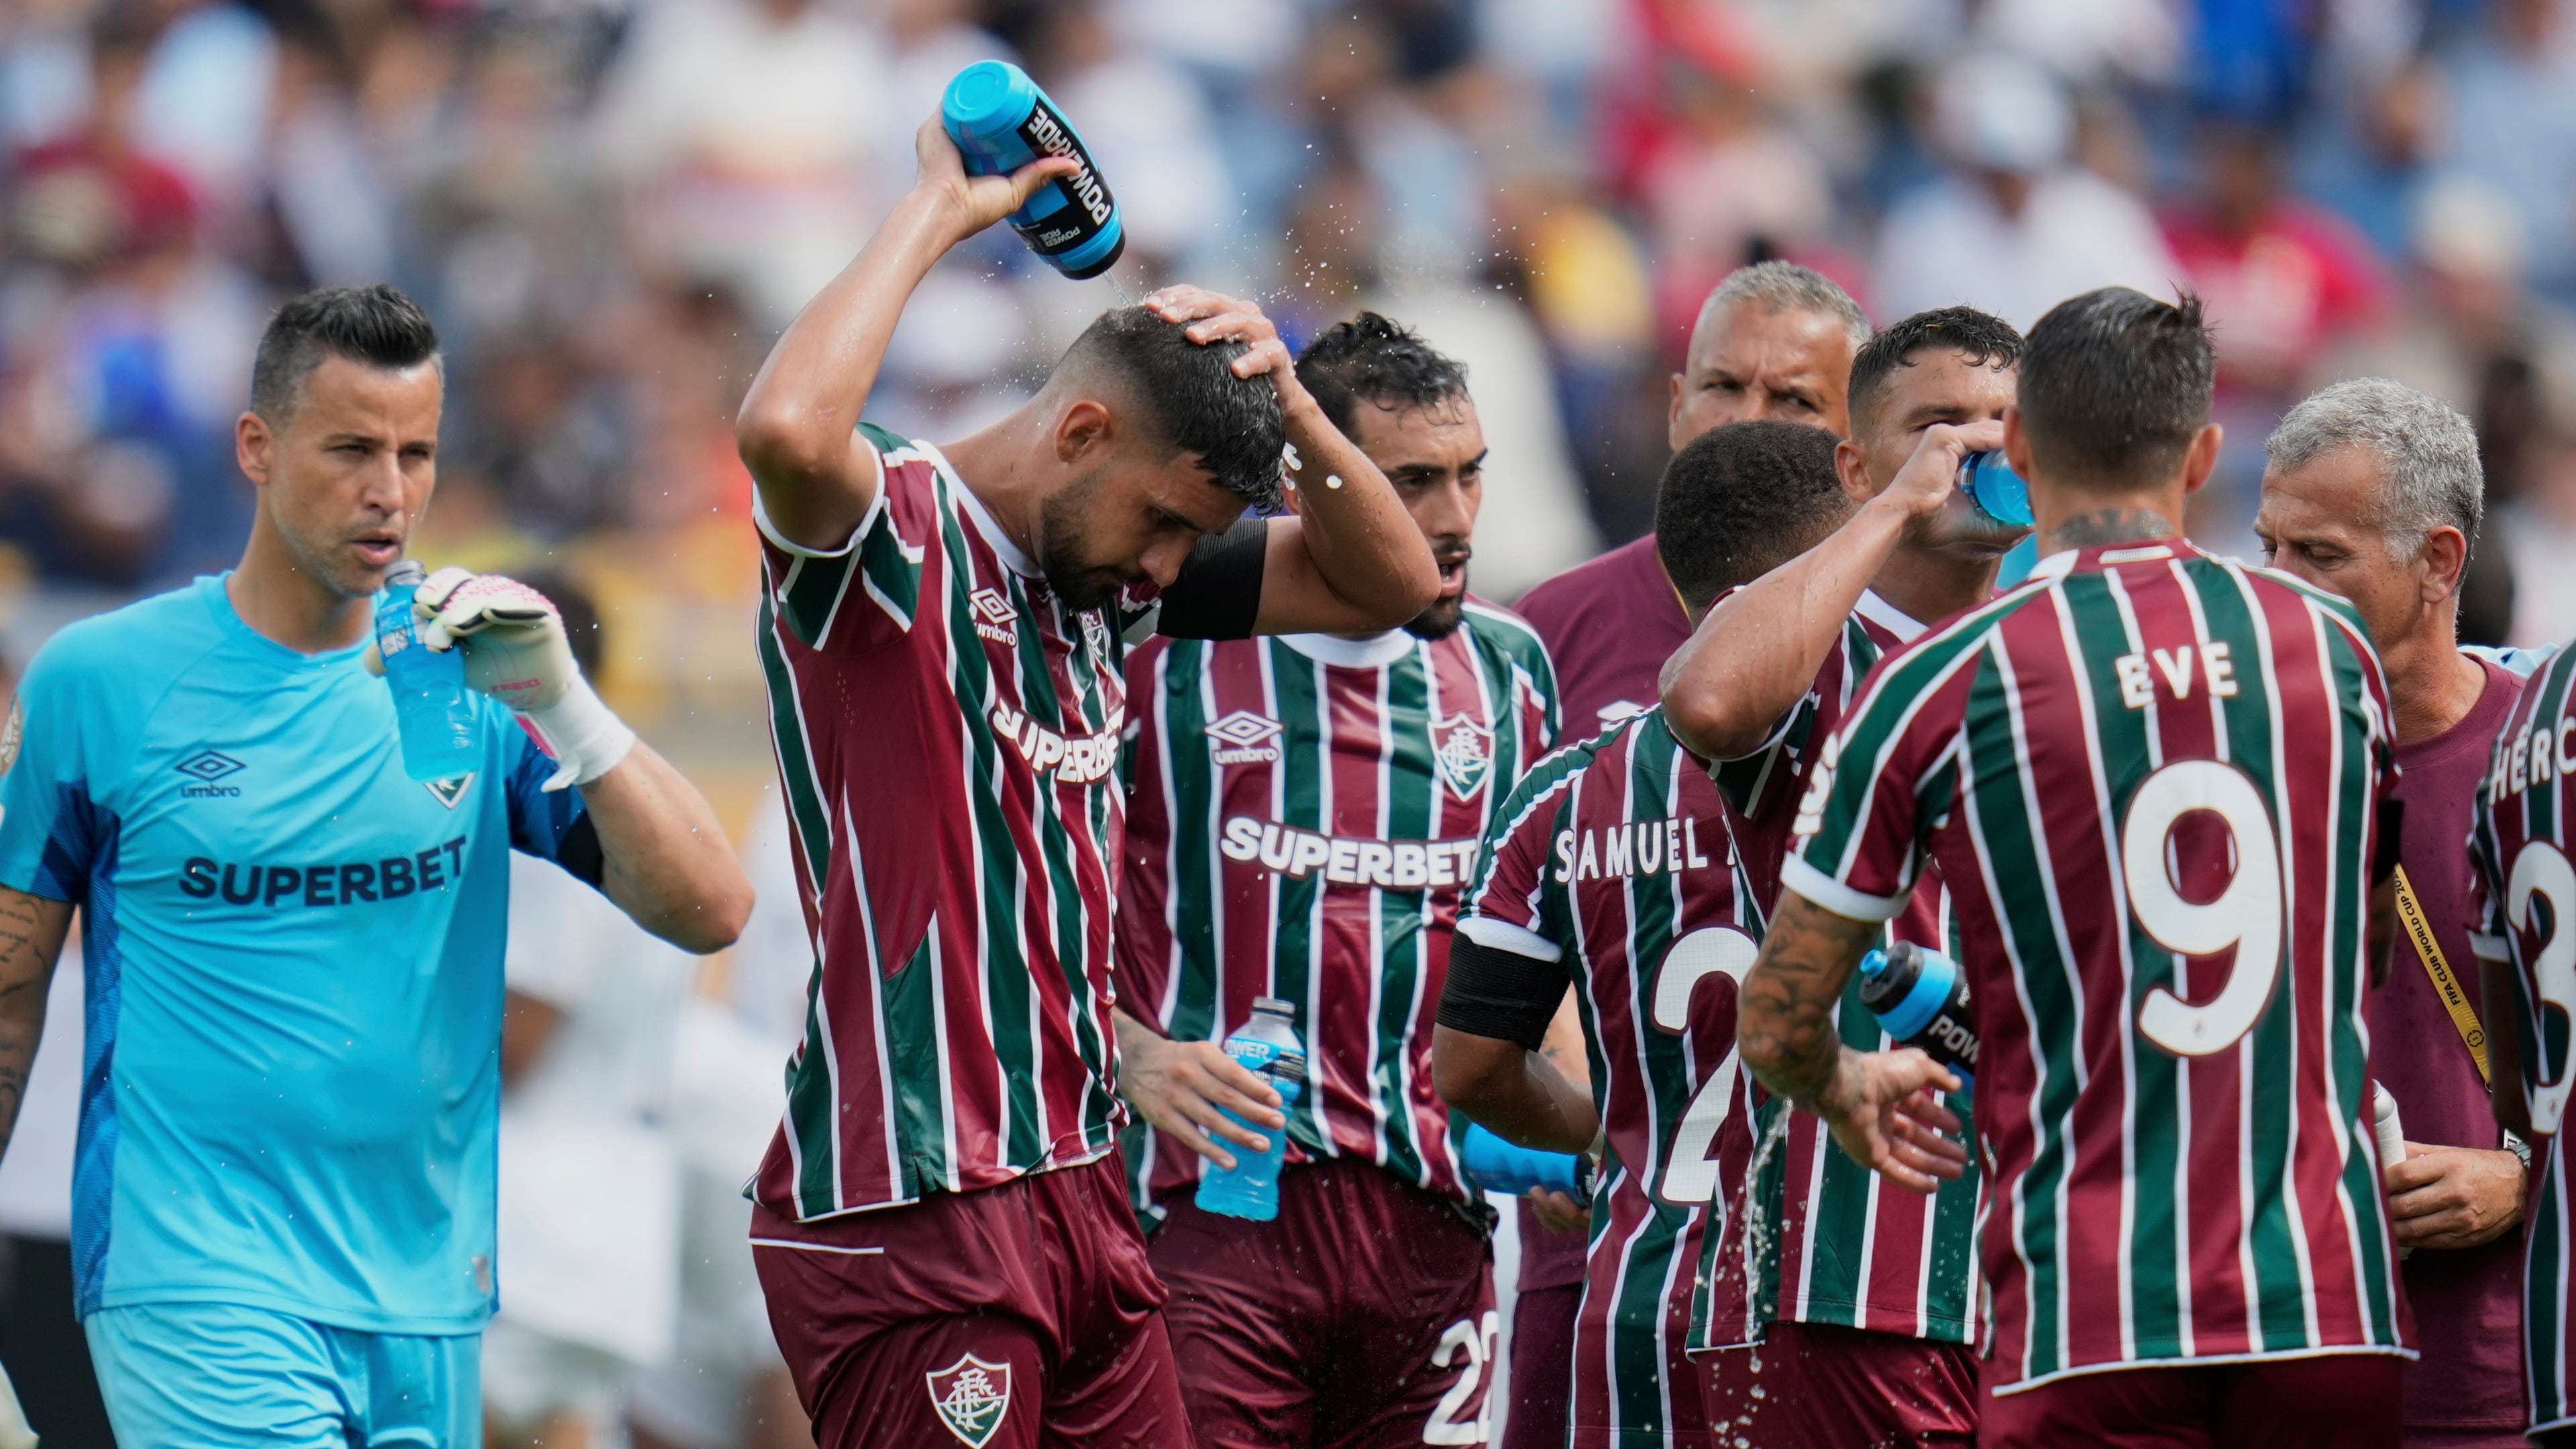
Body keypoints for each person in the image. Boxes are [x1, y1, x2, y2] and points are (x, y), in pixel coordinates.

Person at [730, 117, 1438, 1448]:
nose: (1171, 568)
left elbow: (1390, 586)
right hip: (914, 1203)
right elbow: (778, 424)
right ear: (1082, 430)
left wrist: (1281, 399)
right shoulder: (889, 539)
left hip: (1081, 1189)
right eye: (1165, 521)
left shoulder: (1103, 590)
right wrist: (939, 212)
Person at [0, 283, 755, 1448]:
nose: (389, 490)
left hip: (428, 1298)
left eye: (416, 454)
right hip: (195, 1279)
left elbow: (711, 908)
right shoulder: (99, 682)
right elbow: (12, 993)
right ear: (257, 448)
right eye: (352, 448)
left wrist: (566, 703)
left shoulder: (459, 673)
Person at [1740, 287, 2412, 1447]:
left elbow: (1779, 1015)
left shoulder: (1948, 680)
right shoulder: (2334, 653)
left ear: (2020, 452)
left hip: (2089, 1318)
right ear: (2204, 455)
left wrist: (1844, 1088)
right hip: (2328, 1304)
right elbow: (2366, 958)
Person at [1114, 311, 1559, 1447]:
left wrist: (1562, 1119)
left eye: (1470, 477)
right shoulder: (1169, 659)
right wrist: (1130, 1052)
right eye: (1412, 483)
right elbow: (1026, 904)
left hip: (1436, 1236)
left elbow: (1541, 948)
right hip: (1217, 1220)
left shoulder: (1509, 675)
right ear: (1310, 485)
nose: (1454, 522)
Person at [1434, 419, 1857, 1449]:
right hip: (1833, 1304)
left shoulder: (1564, 795)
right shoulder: (1880, 764)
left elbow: (1475, 1069)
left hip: (1637, 1303)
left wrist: (1611, 1130)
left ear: (1672, 589)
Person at [1658, 307, 2025, 1444]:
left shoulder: (2054, 648)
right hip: (1851, 1269)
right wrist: (1897, 506)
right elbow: (1707, 702)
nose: (1976, 450)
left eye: (2004, 425)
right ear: (1860, 461)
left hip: (2041, 1264)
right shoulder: (1810, 637)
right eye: (1938, 425)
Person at [2255, 378, 2528, 1449]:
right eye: (2267, 547)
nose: (2279, 585)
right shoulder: (2217, 762)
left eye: (2320, 557)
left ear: (2441, 563)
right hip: (2275, 1367)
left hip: (2496, 1378)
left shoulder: (2544, 762)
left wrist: (2523, 1170)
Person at [482, 576, 700, 1449]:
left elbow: (518, 1037)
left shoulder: (559, 809)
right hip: (611, 1223)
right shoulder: (645, 794)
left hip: (540, 1221)